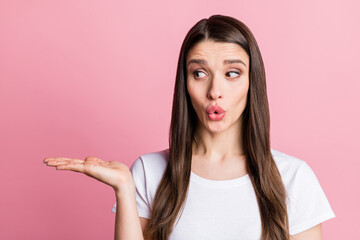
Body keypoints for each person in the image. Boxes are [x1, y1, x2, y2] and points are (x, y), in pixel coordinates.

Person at [43, 14, 335, 240]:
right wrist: (123, 188)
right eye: (199, 73)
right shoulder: (148, 172)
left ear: (251, 83)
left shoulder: (293, 178)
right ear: (185, 83)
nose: (215, 90)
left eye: (232, 73)